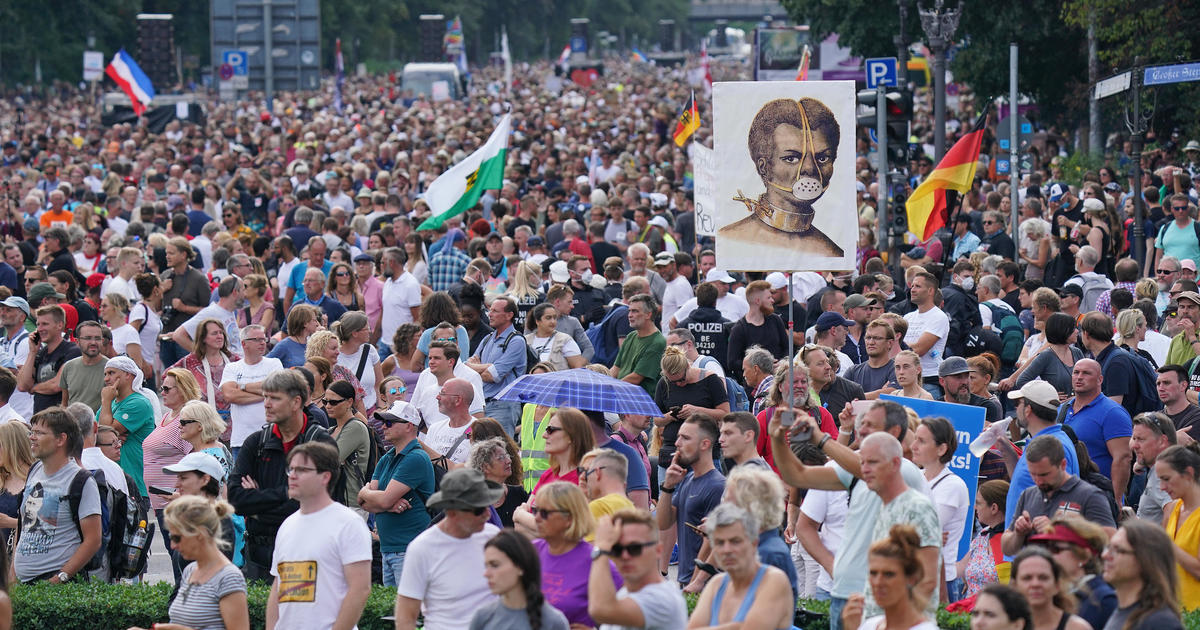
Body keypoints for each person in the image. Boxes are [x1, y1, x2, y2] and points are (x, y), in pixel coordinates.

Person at [228, 370, 336, 580]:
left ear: (296, 402)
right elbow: (235, 499)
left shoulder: (320, 444)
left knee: (297, 611)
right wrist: (290, 494)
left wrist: (258, 505)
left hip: (305, 553)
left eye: (275, 398)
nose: (266, 403)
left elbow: (318, 504)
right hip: (258, 557)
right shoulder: (256, 442)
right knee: (260, 612)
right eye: (265, 396)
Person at [264, 442, 371, 630]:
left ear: (325, 477)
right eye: (291, 469)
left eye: (302, 470)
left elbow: (360, 589)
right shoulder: (287, 525)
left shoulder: (348, 523)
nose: (293, 476)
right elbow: (277, 586)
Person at [394, 468, 504, 630]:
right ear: (452, 512)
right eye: (479, 509)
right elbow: (405, 616)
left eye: (488, 505)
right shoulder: (422, 549)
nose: (488, 514)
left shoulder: (493, 536)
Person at [128, 496, 249, 630]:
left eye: (176, 537)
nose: (173, 545)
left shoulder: (229, 577)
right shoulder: (190, 570)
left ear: (199, 534)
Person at [13, 407, 102, 584]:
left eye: (39, 433)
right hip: (22, 583)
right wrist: (12, 574)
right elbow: (23, 525)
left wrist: (60, 578)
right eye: (32, 432)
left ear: (61, 439)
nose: (32, 437)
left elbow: (93, 540)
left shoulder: (80, 480)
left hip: (55, 584)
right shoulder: (34, 470)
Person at [685, 503, 793, 629]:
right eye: (720, 542)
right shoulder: (717, 584)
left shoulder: (774, 580)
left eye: (735, 541)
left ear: (754, 543)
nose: (727, 550)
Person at [1002, 436, 1117, 555]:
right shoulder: (1028, 495)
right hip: (1038, 570)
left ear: (1063, 465)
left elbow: (1111, 541)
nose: (1038, 480)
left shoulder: (1090, 495)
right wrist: (1019, 533)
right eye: (1033, 474)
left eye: (1044, 474)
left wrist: (1059, 531)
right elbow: (1007, 549)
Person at [529, 481, 621, 627]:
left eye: (545, 513)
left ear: (569, 518)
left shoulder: (595, 560)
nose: (537, 518)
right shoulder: (531, 552)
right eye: (535, 511)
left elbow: (624, 616)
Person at [588, 508, 689, 630]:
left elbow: (601, 609)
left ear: (658, 550)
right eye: (617, 549)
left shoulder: (663, 600)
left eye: (634, 548)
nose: (624, 556)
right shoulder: (626, 594)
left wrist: (601, 548)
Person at [659, 414, 726, 589]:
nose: (677, 443)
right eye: (678, 436)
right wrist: (667, 486)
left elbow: (713, 543)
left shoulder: (718, 486)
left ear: (705, 444)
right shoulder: (687, 479)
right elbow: (663, 523)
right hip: (686, 581)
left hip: (703, 585)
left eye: (685, 438)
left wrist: (694, 584)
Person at [909, 416, 970, 602]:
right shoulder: (915, 476)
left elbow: (924, 528)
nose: (913, 446)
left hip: (939, 581)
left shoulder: (953, 485)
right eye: (914, 439)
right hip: (911, 576)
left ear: (942, 449)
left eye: (921, 441)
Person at [841, 524, 940, 630]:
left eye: (889, 574)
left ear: (911, 578)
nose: (878, 582)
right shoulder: (870, 625)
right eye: (873, 573)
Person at [1062, 358, 1134, 503]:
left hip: (1098, 497)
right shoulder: (1062, 409)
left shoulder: (1112, 412)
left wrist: (1117, 500)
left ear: (1100, 379)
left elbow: (1123, 458)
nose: (1079, 377)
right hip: (1065, 496)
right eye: (1076, 372)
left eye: (1086, 373)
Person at [470, 528, 571, 630]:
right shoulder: (482, 618)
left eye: (495, 565)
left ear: (520, 566)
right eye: (486, 566)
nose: (486, 574)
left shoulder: (553, 622)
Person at [653, 346, 729, 480]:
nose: (678, 384)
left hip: (703, 451)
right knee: (667, 496)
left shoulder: (710, 380)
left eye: (681, 379)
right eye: (673, 382)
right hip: (672, 449)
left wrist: (697, 411)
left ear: (688, 367)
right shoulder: (664, 383)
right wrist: (671, 416)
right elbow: (657, 420)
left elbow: (725, 414)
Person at [1028, 515, 1117, 630]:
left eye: (1055, 549)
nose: (1047, 555)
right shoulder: (1051, 595)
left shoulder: (1104, 600)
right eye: (1045, 548)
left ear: (1084, 556)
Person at [1101, 519, 1186, 630]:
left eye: (1117, 550)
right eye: (1108, 547)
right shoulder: (1120, 611)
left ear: (1144, 560)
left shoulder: (1160, 623)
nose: (1105, 555)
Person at [466, 295, 528, 435]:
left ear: (509, 315)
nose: (490, 314)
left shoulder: (516, 341)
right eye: (490, 310)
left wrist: (481, 368)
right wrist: (488, 366)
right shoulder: (488, 338)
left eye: (495, 311)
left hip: (503, 406)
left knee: (501, 449)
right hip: (481, 405)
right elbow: (466, 367)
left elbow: (492, 376)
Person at [219, 325, 283, 458]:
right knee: (242, 479)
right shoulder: (232, 368)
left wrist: (242, 386)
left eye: (264, 339)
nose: (262, 343)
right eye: (257, 339)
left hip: (271, 438)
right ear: (244, 343)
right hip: (241, 440)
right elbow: (230, 395)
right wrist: (266, 392)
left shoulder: (274, 363)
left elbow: (279, 389)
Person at [97, 355, 156, 496]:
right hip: (112, 482)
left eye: (111, 373)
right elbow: (94, 433)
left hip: (133, 484)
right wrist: (108, 435)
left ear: (128, 375)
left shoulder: (138, 402)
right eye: (105, 374)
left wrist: (105, 401)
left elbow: (105, 434)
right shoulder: (111, 403)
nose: (106, 379)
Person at [173, 318, 241, 434]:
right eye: (214, 333)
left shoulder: (234, 360)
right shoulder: (190, 362)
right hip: (203, 429)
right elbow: (168, 379)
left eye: (221, 333)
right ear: (203, 338)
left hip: (235, 427)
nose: (220, 336)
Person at [17, 305, 80, 413]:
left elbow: (56, 385)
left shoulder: (72, 351)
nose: (40, 329)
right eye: (38, 324)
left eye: (45, 324)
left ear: (59, 325)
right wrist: (32, 352)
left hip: (60, 418)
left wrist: (33, 388)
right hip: (38, 418)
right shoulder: (40, 353)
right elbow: (22, 385)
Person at [1010, 547, 1091, 630]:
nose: (1035, 584)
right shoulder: (1004, 626)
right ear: (1015, 586)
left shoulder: (1077, 627)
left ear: (1057, 585)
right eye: (1027, 578)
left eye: (1043, 577)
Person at [321, 380, 371, 509]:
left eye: (333, 402)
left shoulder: (355, 427)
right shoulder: (331, 430)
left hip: (352, 503)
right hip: (335, 501)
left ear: (349, 402)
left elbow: (329, 461)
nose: (328, 406)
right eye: (325, 402)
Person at [959, 479, 1010, 599]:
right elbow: (959, 569)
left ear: (994, 508)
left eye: (979, 503)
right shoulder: (982, 535)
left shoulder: (1013, 540)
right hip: (968, 612)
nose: (975, 507)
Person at [902, 271, 950, 398]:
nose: (912, 290)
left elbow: (919, 349)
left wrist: (901, 346)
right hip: (906, 379)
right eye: (912, 286)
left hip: (928, 380)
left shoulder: (939, 316)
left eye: (917, 286)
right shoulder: (908, 317)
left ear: (930, 291)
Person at [611, 294, 667, 397]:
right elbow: (616, 368)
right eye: (629, 311)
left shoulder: (657, 342)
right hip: (622, 394)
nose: (629, 315)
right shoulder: (631, 336)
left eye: (635, 311)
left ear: (648, 315)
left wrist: (610, 389)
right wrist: (603, 383)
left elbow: (636, 378)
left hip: (640, 402)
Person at [470, 435, 528, 527]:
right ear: (486, 467)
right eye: (501, 458)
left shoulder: (518, 493)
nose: (508, 461)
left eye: (507, 456)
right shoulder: (470, 499)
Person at [1130, 412, 1177, 523]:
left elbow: (1174, 514)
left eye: (1141, 439)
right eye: (1134, 439)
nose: (1134, 446)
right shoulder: (1167, 467)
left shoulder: (1161, 474)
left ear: (1162, 441)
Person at [333, 312, 383, 412]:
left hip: (372, 412)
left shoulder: (370, 350)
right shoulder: (335, 356)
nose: (370, 331)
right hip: (348, 414)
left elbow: (379, 384)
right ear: (354, 333)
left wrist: (381, 408)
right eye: (366, 328)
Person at [58, 320, 106, 411]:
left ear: (102, 341)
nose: (93, 342)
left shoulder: (111, 368)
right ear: (77, 341)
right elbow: (64, 403)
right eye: (88, 338)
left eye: (97, 338)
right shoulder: (68, 367)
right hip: (72, 423)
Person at [525, 303, 586, 370]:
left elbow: (578, 368)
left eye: (555, 318)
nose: (553, 321)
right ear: (537, 321)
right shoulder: (526, 340)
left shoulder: (565, 340)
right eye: (548, 318)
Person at [268, 304, 321, 369]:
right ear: (305, 323)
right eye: (314, 320)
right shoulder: (284, 345)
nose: (317, 324)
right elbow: (266, 364)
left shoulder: (312, 343)